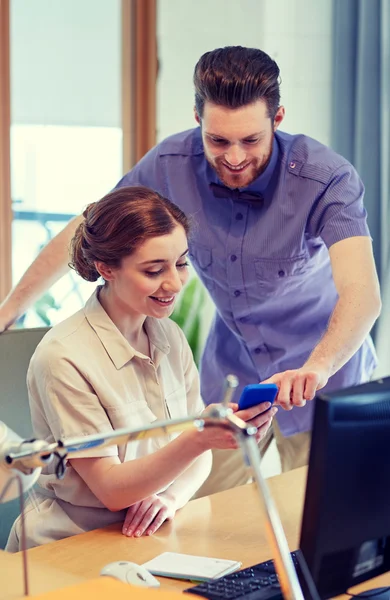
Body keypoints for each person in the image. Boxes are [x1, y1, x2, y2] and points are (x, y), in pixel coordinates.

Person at [0, 46, 381, 493]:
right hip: (232, 375)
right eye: (218, 141)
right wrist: (9, 311)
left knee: (320, 517)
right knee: (201, 513)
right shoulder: (170, 164)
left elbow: (363, 293)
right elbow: (89, 228)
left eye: (250, 141)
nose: (234, 158)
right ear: (197, 119)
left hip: (322, 374)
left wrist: (317, 369)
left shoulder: (326, 178)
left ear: (277, 119)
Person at [5, 185, 277, 551]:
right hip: (71, 542)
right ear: (106, 268)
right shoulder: (62, 356)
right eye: (153, 271)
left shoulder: (169, 335)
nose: (174, 283)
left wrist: (171, 498)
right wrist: (198, 438)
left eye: (181, 263)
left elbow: (197, 458)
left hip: (152, 534)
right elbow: (113, 489)